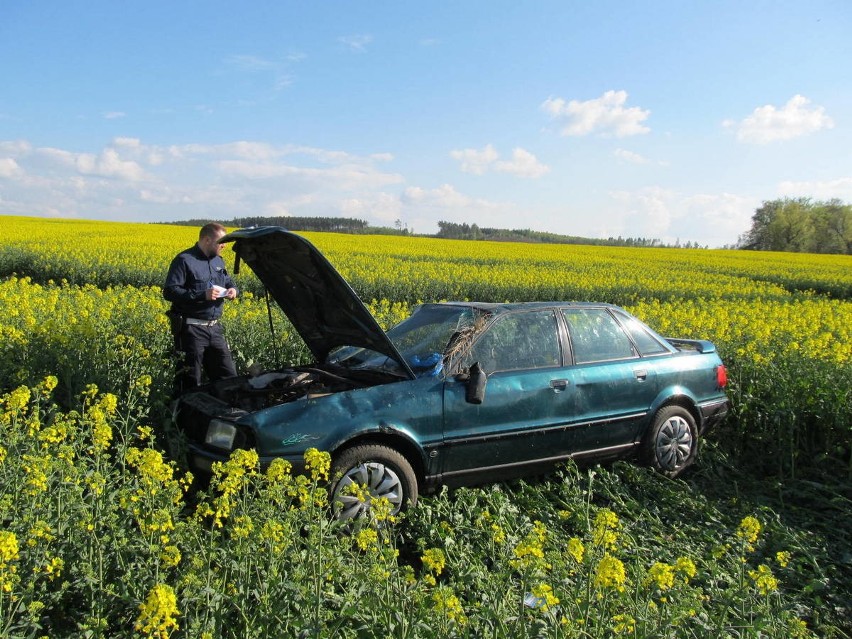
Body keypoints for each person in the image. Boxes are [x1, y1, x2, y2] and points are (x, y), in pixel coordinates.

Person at [163, 222, 238, 393]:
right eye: (221, 242)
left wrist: (234, 290)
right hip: (191, 330)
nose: (224, 246)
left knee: (229, 377)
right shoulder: (184, 260)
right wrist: (201, 295)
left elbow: (228, 282)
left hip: (214, 328)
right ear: (207, 240)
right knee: (189, 380)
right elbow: (170, 291)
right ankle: (182, 416)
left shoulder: (219, 261)